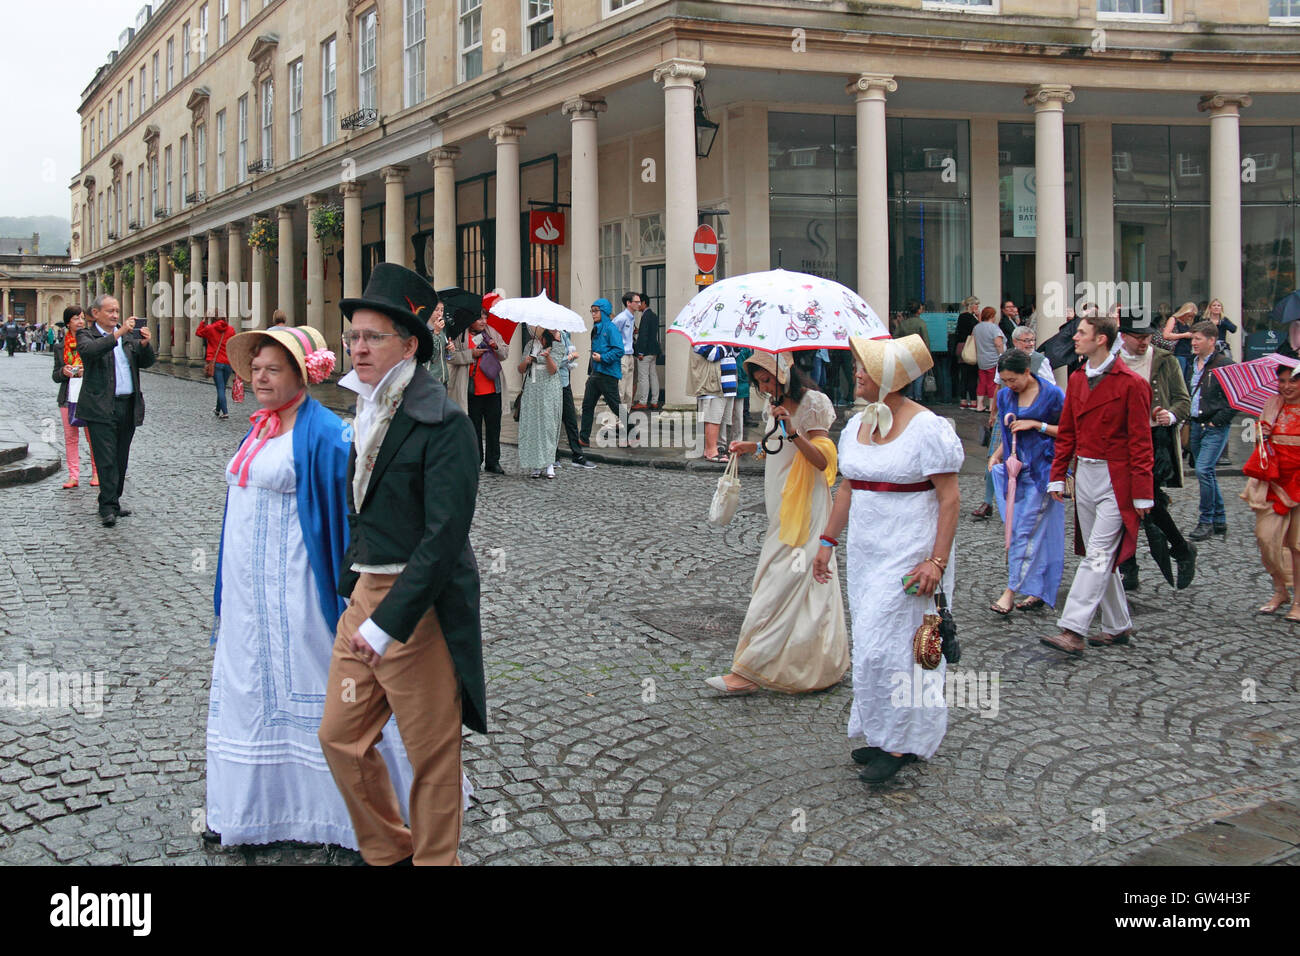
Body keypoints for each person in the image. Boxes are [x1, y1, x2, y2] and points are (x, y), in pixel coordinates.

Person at [205, 323, 416, 849]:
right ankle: (254, 806)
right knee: (251, 681)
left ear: (300, 375)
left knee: (319, 682)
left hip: (299, 586)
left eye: (273, 369)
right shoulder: (257, 427)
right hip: (248, 594)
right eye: (255, 369)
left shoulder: (324, 431)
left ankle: (343, 814)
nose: (260, 378)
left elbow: (347, 515)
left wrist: (352, 591)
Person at [319, 262, 487, 866]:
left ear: (409, 344)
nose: (358, 347)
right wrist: (353, 590)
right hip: (365, 593)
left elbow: (443, 540)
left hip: (415, 608)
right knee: (340, 737)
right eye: (353, 337)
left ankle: (435, 861)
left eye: (372, 337)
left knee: (431, 752)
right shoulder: (365, 408)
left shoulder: (445, 424)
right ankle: (389, 850)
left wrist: (388, 622)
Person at [813, 335, 963, 784]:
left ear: (889, 379)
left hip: (911, 551)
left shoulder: (928, 427)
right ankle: (884, 732)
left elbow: (951, 499)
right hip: (867, 552)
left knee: (901, 648)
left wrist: (936, 561)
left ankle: (900, 742)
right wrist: (827, 542)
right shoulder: (858, 425)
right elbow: (848, 487)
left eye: (865, 368)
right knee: (873, 647)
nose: (856, 373)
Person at [707, 351, 848, 696]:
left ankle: (748, 670)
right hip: (782, 504)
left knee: (780, 582)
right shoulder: (776, 402)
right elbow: (780, 445)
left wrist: (792, 430)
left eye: (767, 379)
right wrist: (752, 445)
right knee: (790, 582)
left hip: (807, 506)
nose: (764, 386)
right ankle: (816, 663)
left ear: (784, 372)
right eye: (758, 382)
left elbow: (823, 461)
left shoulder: (813, 402)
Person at [1041, 314, 1154, 655]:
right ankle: (1117, 625)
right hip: (1086, 473)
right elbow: (1069, 432)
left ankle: (1073, 628)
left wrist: (1144, 494)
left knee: (1099, 555)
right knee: (1097, 556)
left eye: (1081, 333)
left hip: (1117, 479)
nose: (1074, 338)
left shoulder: (1132, 384)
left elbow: (1141, 442)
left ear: (1101, 339)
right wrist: (1057, 475)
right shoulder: (1076, 379)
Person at [1115, 312, 1197, 591]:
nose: (1144, 342)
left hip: (1154, 441)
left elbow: (1183, 401)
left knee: (1148, 501)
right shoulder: (1111, 362)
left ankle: (1180, 548)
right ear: (1123, 336)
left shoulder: (1164, 360)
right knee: (1122, 505)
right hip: (1121, 441)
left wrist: (1171, 416)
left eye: (1148, 336)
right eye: (1138, 337)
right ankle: (1130, 568)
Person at [988, 349, 1065, 615]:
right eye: (1005, 380)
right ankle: (1038, 588)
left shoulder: (1053, 395)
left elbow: (1070, 431)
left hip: (1043, 472)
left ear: (1027, 372)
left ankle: (1010, 591)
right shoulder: (1005, 395)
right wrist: (997, 455)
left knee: (1023, 531)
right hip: (1015, 472)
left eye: (1013, 379)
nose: (1009, 385)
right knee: (1029, 531)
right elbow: (1007, 434)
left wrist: (1036, 425)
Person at [77, 294, 155, 527]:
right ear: (95, 313)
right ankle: (107, 506)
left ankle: (114, 501)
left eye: (117, 311)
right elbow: (91, 352)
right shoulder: (86, 334)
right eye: (109, 311)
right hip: (101, 407)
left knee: (121, 458)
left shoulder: (128, 336)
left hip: (128, 404)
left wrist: (144, 345)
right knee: (106, 458)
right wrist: (118, 335)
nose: (114, 315)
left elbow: (146, 362)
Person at [1242, 359, 1300, 619]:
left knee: (1297, 545)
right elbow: (1261, 435)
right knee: (1266, 538)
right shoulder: (1272, 403)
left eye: (1293, 380)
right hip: (1273, 482)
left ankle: (1298, 600)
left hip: (1298, 482)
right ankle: (1280, 589)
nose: (1286, 386)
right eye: (1282, 381)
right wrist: (1262, 436)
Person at [1186, 320, 1235, 541]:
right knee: (1207, 472)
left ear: (1211, 340)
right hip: (1196, 424)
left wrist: (1218, 420)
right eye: (1193, 338)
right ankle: (1220, 519)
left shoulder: (1224, 364)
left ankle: (1206, 521)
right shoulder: (1191, 362)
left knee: (1203, 470)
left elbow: (1234, 400)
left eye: (1198, 338)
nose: (1193, 342)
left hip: (1214, 426)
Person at [460, 295, 509, 475]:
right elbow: (452, 357)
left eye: (484, 317)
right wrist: (470, 354)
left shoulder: (492, 331)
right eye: (479, 318)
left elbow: (505, 353)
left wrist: (496, 347)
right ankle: (476, 460)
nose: (482, 321)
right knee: (473, 428)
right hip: (472, 389)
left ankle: (493, 461)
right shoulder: (461, 335)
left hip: (492, 388)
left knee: (494, 427)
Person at [52, 306, 99, 490]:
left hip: (89, 396)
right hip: (67, 397)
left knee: (92, 437)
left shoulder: (92, 342)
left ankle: (96, 472)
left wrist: (86, 371)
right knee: (71, 438)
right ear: (68, 323)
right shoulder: (59, 347)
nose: (80, 321)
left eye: (81, 318)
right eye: (75, 318)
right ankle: (73, 475)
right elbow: (55, 375)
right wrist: (63, 372)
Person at [517, 325, 564, 478]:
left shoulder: (557, 346)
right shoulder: (530, 345)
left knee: (548, 425)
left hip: (549, 389)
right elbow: (521, 369)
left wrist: (547, 356)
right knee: (533, 425)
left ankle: (550, 462)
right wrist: (528, 360)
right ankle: (535, 464)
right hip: (532, 388)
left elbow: (553, 370)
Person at [579, 297, 624, 447]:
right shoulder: (596, 328)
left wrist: (602, 358)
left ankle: (633, 432)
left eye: (596, 311)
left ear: (604, 311)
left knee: (615, 406)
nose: (593, 314)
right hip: (596, 373)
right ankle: (583, 438)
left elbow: (619, 350)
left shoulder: (611, 328)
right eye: (592, 311)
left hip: (608, 374)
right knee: (587, 405)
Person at [554, 328, 596, 469]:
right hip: (551, 384)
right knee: (553, 422)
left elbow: (566, 357)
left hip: (565, 382)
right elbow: (553, 363)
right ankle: (553, 456)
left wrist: (568, 358)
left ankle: (577, 455)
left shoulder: (564, 335)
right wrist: (570, 357)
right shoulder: (545, 338)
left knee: (571, 420)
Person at [690, 343, 732, 463]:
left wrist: (734, 345)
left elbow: (735, 354)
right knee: (712, 417)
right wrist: (728, 344)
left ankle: (718, 447)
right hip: (712, 384)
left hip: (727, 384)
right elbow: (713, 355)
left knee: (721, 419)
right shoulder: (700, 336)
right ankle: (710, 450)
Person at [197, 312, 237, 419]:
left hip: (216, 363)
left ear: (213, 319)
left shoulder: (210, 328)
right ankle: (218, 409)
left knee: (220, 387)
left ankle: (225, 412)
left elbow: (198, 332)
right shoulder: (231, 329)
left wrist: (204, 320)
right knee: (222, 387)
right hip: (227, 362)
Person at [892, 300, 931, 403]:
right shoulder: (921, 323)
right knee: (919, 376)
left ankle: (909, 396)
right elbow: (926, 339)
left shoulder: (903, 323)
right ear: (918, 310)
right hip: (919, 352)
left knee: (909, 376)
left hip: (906, 352)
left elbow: (895, 336)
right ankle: (918, 397)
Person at [973, 306, 1005, 413]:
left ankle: (979, 405)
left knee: (982, 382)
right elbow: (998, 343)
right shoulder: (994, 328)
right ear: (992, 316)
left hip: (981, 359)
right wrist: (1002, 355)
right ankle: (992, 406)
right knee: (993, 383)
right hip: (993, 359)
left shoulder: (977, 327)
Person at [632, 293, 661, 411]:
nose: (638, 305)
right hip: (654, 350)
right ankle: (654, 401)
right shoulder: (653, 315)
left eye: (639, 302)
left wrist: (640, 352)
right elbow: (650, 332)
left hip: (645, 351)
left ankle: (643, 401)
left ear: (644, 303)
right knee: (653, 375)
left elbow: (644, 336)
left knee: (643, 377)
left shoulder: (645, 316)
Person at [613, 292, 639, 406]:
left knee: (628, 391)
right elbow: (612, 333)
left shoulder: (631, 318)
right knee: (620, 389)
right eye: (636, 302)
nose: (639, 304)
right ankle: (612, 421)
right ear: (628, 303)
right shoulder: (621, 318)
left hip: (629, 355)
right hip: (622, 355)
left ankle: (623, 420)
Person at [954, 296, 980, 409]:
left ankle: (963, 400)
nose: (978, 307)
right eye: (977, 305)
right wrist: (979, 317)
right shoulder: (970, 318)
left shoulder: (961, 316)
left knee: (963, 375)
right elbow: (977, 330)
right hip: (970, 348)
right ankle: (973, 401)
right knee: (972, 375)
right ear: (971, 305)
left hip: (961, 347)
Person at [1162, 301, 1198, 380]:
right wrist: (1184, 335)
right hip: (1178, 352)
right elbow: (1166, 335)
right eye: (1189, 316)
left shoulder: (1186, 323)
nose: (1190, 318)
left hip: (1187, 353)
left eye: (1192, 316)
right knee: (1179, 377)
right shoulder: (1173, 319)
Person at [421, 300, 449, 386]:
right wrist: (436, 333)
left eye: (442, 310)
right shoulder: (423, 330)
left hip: (443, 379)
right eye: (436, 310)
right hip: (430, 380)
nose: (440, 313)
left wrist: (449, 348)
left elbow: (446, 357)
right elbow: (430, 355)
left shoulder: (441, 329)